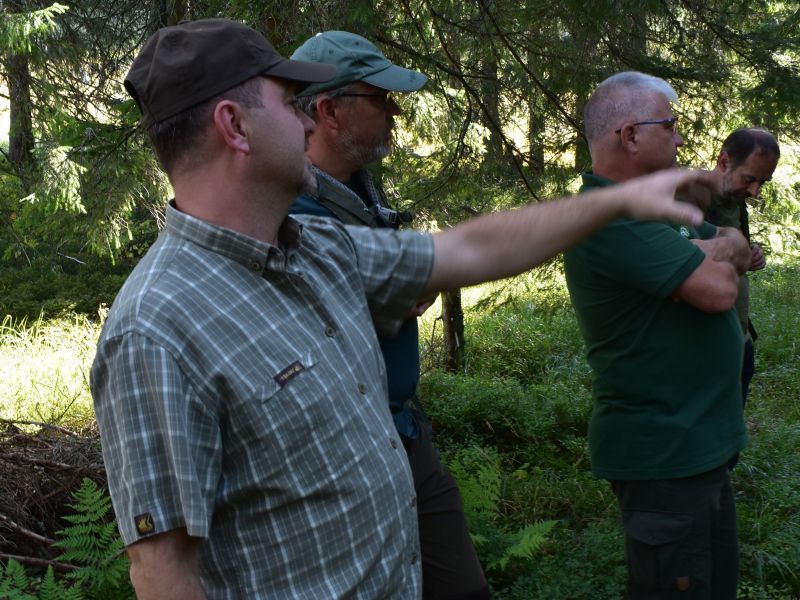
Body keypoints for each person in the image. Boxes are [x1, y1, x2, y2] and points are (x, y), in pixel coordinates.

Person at [91, 21, 708, 599]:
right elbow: (163, 568)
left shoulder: (319, 246)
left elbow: (467, 249)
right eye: (289, 103)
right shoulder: (156, 328)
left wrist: (611, 202)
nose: (308, 125)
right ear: (235, 125)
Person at [287, 30, 487, 599]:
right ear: (329, 110)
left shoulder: (356, 188)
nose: (394, 112)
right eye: (379, 100)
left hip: (403, 426)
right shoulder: (292, 208)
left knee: (461, 588)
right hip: (344, 447)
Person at [563, 71, 753, 599]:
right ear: (629, 135)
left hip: (699, 449)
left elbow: (740, 245)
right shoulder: (608, 219)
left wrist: (707, 252)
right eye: (669, 125)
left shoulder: (655, 211)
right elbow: (719, 291)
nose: (680, 137)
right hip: (664, 458)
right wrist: (714, 256)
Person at [706, 129, 779, 405]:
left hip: (740, 337)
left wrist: (752, 255)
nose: (755, 191)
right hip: (708, 344)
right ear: (724, 161)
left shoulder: (736, 201)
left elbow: (736, 252)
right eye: (750, 179)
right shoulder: (689, 201)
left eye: (763, 182)